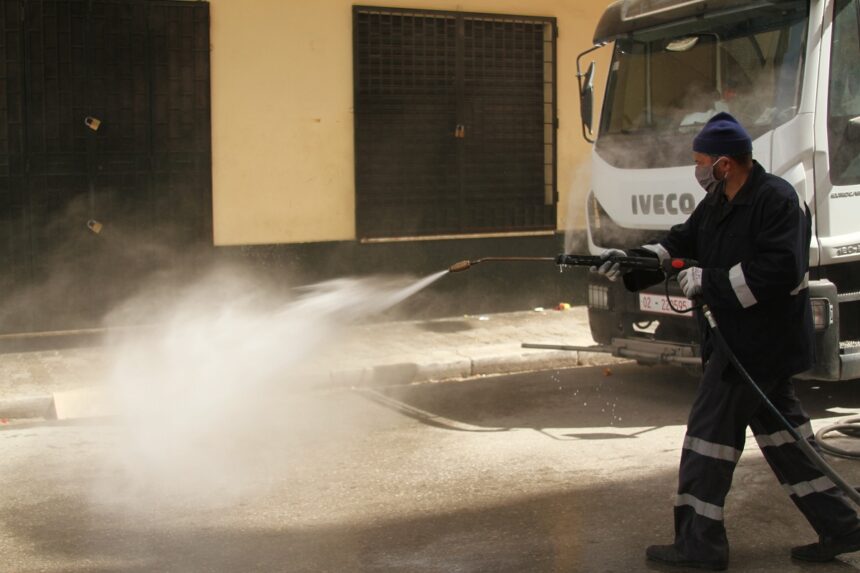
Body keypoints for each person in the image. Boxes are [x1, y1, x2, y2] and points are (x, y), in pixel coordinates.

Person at [593, 112, 860, 570]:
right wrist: (635, 259)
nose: (697, 172)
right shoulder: (717, 201)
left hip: (757, 347)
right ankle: (843, 525)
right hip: (740, 345)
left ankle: (700, 546)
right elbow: (682, 241)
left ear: (724, 164)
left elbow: (781, 270)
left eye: (701, 162)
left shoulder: (777, 200)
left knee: (707, 441)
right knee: (788, 444)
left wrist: (711, 281)